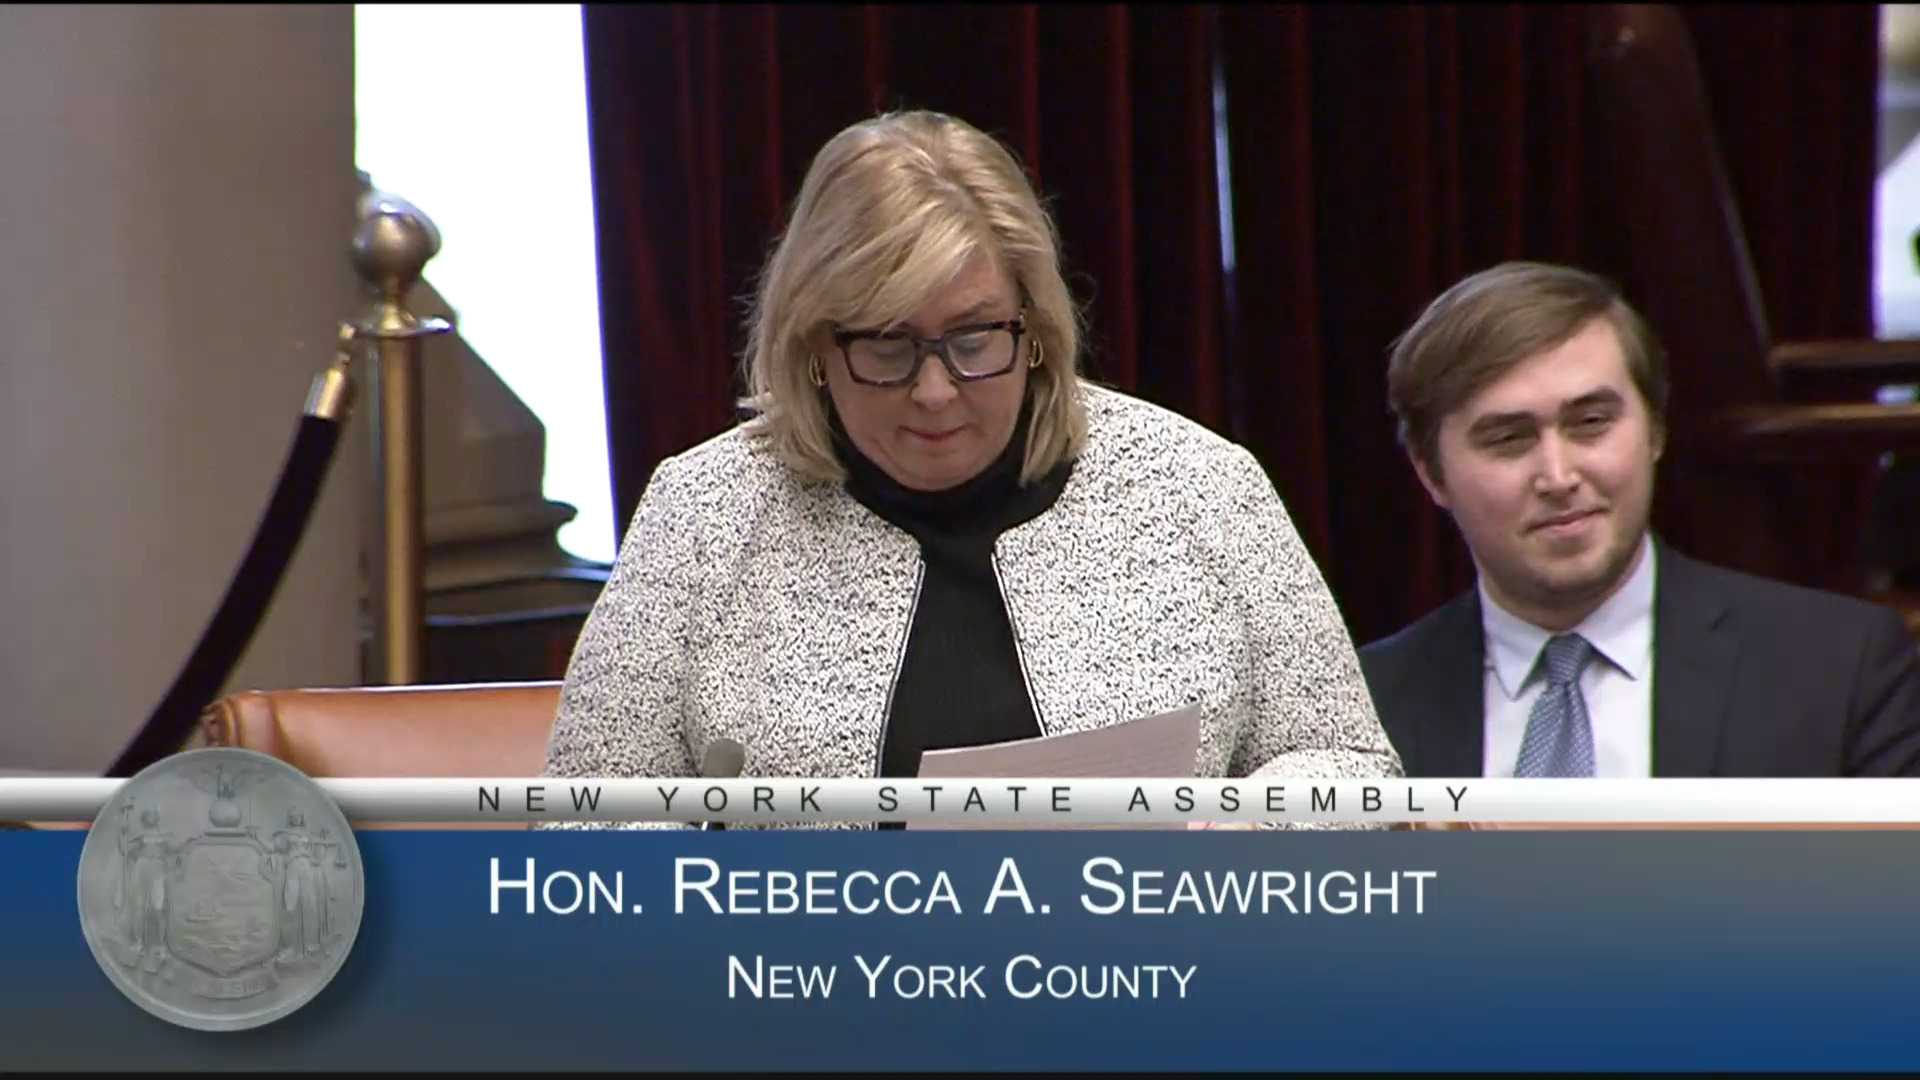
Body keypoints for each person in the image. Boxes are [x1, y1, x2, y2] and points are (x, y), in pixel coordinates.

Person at [543, 109, 1399, 827]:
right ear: (814, 347)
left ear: (1035, 330)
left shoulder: (1197, 482)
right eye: (887, 344)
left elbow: (1349, 761)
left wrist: (1242, 836)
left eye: (974, 338)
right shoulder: (703, 512)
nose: (934, 391)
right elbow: (585, 825)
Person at [1359, 260, 1920, 778]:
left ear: (1655, 430)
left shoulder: (1841, 668)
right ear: (1432, 474)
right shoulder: (1357, 707)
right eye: (1508, 438)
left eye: (1591, 423)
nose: (1558, 476)